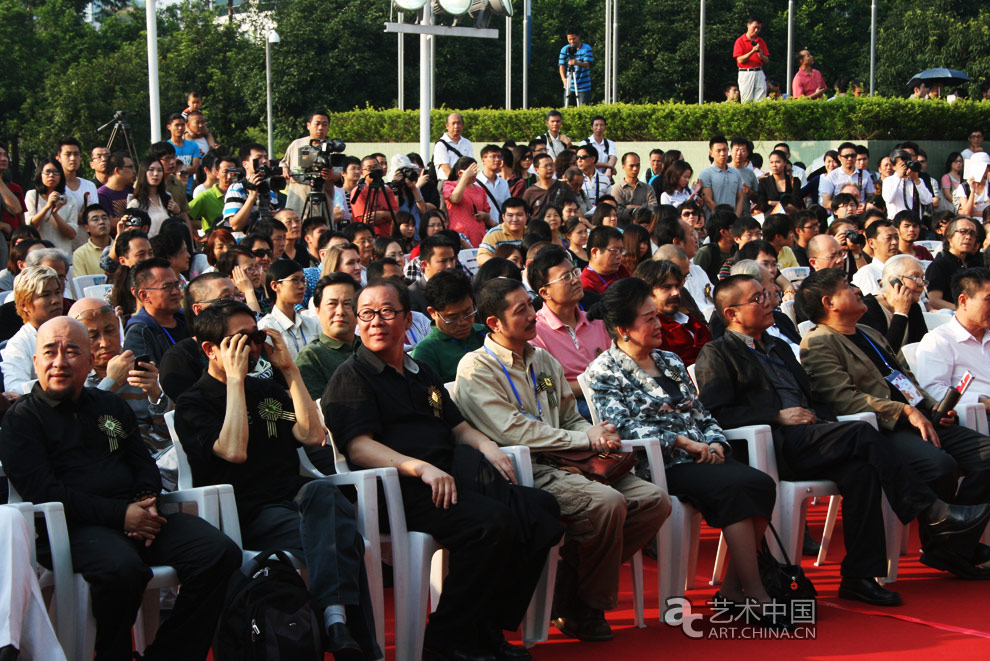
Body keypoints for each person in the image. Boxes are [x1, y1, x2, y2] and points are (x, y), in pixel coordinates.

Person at [697, 273, 990, 599]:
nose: (769, 302)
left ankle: (859, 577)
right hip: (773, 441)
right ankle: (932, 511)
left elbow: (815, 397)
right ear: (731, 314)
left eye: (767, 296)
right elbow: (715, 412)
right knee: (863, 433)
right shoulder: (718, 352)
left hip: (813, 435)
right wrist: (775, 415)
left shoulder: (778, 347)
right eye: (757, 299)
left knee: (861, 473)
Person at [324, 279, 563, 660]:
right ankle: (448, 635)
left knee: (540, 510)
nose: (376, 322)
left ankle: (484, 626)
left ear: (407, 320)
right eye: (366, 314)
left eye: (387, 312)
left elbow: (456, 426)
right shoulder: (352, 376)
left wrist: (487, 446)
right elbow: (359, 446)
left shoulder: (422, 374)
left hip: (454, 476)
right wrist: (418, 468)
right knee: (493, 524)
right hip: (401, 490)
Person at [0, 316, 241, 661]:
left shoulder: (109, 406)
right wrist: (121, 516)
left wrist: (146, 499)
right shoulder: (23, 419)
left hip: (137, 517)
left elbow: (141, 461)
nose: (59, 362)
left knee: (219, 552)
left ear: (88, 360)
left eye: (71, 352)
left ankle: (168, 653)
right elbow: (44, 490)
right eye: (50, 352)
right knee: (123, 570)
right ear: (35, 361)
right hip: (73, 529)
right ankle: (112, 653)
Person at [454, 277, 667, 641]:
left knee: (653, 501)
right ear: (494, 323)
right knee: (608, 504)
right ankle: (584, 605)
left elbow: (567, 416)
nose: (533, 314)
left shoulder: (543, 362)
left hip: (574, 460)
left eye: (531, 305)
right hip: (525, 469)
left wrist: (595, 434)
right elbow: (514, 432)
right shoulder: (477, 368)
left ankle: (571, 588)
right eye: (520, 310)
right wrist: (581, 438)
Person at [174, 301, 380, 658]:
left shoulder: (265, 392)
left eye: (255, 338)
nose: (252, 349)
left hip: (297, 503)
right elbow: (234, 449)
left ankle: (334, 623)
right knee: (344, 538)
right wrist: (235, 380)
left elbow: (313, 435)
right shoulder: (194, 403)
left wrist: (290, 372)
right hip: (250, 514)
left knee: (324, 496)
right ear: (210, 349)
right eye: (239, 341)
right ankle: (350, 637)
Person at [797, 270, 990, 576]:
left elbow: (906, 380)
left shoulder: (869, 333)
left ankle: (951, 545)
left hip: (921, 418)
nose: (858, 289)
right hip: (882, 427)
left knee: (986, 456)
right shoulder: (819, 342)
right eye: (847, 287)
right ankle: (951, 544)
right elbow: (842, 399)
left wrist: (932, 407)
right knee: (940, 466)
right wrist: (903, 411)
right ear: (829, 302)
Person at [528, 246, 611, 418]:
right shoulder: (535, 332)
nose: (575, 280)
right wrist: (593, 383)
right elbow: (549, 388)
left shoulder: (596, 320)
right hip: (570, 406)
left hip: (610, 394)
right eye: (566, 277)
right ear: (545, 292)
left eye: (575, 273)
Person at [913, 268, 990, 416]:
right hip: (976, 416)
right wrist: (982, 402)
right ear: (963, 301)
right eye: (988, 299)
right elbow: (933, 391)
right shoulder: (939, 340)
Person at [409, 269, 487, 383]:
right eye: (453, 317)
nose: (463, 322)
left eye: (468, 312)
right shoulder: (426, 352)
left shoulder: (486, 332)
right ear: (432, 313)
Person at [635, 260, 712, 366]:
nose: (676, 292)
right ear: (647, 292)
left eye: (677, 286)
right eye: (667, 287)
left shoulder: (690, 320)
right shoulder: (647, 331)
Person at [0, 266, 65, 394]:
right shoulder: (19, 344)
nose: (56, 300)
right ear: (24, 305)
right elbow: (14, 389)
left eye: (58, 293)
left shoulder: (73, 331)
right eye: (45, 295)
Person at [856, 254, 928, 353]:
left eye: (922, 278)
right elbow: (885, 354)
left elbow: (922, 348)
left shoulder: (913, 307)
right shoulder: (867, 308)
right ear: (894, 280)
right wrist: (900, 313)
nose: (921, 284)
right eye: (915, 277)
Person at [258, 260, 320, 360]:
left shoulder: (313, 324)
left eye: (303, 280)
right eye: (295, 280)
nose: (302, 286)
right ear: (275, 286)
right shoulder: (266, 328)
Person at [279, 110, 333, 215]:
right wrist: (284, 169)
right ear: (308, 125)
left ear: (328, 127)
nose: (320, 128)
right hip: (297, 201)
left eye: (324, 124)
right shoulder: (297, 144)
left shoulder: (333, 148)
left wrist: (332, 175)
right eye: (317, 124)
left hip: (321, 204)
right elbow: (283, 163)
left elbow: (340, 175)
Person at [926, 217, 983, 310]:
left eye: (973, 233)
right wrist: (964, 311)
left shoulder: (977, 264)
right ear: (949, 237)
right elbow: (934, 301)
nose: (968, 237)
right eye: (963, 231)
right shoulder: (939, 265)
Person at [222, 143, 281, 232]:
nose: (264, 161)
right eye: (258, 158)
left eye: (266, 158)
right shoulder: (237, 189)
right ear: (245, 164)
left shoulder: (270, 192)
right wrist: (251, 197)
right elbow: (235, 226)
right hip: (245, 242)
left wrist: (275, 216)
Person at [24, 158, 77, 255]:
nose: (51, 175)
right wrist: (48, 206)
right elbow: (30, 226)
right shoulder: (32, 195)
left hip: (63, 255)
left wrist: (55, 213)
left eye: (56, 172)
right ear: (40, 174)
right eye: (48, 172)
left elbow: (71, 234)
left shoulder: (69, 200)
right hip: (38, 255)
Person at [54, 137, 100, 245]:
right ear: (58, 158)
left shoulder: (89, 186)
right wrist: (81, 215)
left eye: (76, 154)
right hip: (61, 243)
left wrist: (75, 215)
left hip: (85, 244)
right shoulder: (54, 187)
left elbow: (94, 216)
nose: (73, 158)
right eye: (68, 154)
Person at [188, 152, 239, 233]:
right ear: (217, 173)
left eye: (233, 172)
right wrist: (199, 238)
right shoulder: (206, 196)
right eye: (225, 172)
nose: (229, 177)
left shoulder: (242, 194)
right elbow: (185, 217)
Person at [408, 234, 459, 314]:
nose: (450, 266)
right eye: (443, 261)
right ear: (425, 264)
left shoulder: (460, 287)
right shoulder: (412, 295)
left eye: (452, 260)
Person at [850, 220, 899, 296]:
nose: (894, 242)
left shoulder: (906, 268)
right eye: (888, 238)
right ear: (871, 243)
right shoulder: (867, 273)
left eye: (896, 237)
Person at [881, 149, 932, 221]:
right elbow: (889, 199)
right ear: (893, 166)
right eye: (902, 165)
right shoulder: (888, 181)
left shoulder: (917, 180)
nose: (905, 167)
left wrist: (916, 180)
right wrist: (898, 178)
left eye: (907, 164)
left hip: (915, 222)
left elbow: (928, 200)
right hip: (896, 222)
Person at [821, 143, 876, 209]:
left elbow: (871, 198)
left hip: (860, 215)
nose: (850, 159)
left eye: (853, 156)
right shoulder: (831, 176)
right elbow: (826, 203)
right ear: (839, 157)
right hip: (840, 215)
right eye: (846, 156)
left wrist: (865, 206)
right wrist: (844, 207)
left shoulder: (865, 174)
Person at [580, 226, 630, 298]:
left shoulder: (621, 269)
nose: (619, 256)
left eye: (621, 251)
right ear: (595, 252)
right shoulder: (587, 285)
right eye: (614, 251)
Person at [699, 137, 744, 217]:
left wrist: (736, 216)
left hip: (733, 222)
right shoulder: (706, 173)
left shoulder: (736, 173)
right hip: (714, 220)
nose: (722, 153)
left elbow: (740, 197)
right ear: (711, 153)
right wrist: (723, 217)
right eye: (718, 151)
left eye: (724, 150)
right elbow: (708, 200)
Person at [477, 197, 527, 266]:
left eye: (519, 215)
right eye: (510, 215)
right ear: (503, 217)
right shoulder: (494, 233)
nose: (515, 219)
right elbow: (481, 257)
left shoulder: (531, 231)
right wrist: (503, 265)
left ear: (526, 216)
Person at [694, 208, 737, 283]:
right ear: (723, 232)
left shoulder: (736, 250)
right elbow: (695, 279)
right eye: (735, 227)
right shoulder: (705, 253)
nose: (739, 230)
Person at [733, 15, 769, 103]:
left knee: (761, 100)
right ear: (748, 25)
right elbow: (740, 60)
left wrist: (761, 55)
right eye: (755, 27)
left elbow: (767, 60)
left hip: (759, 71)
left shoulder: (761, 41)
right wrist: (752, 52)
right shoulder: (740, 41)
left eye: (759, 28)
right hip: (746, 73)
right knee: (747, 101)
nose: (756, 30)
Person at [72, 204, 113, 277]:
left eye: (104, 218)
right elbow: (82, 284)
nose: (101, 222)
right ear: (86, 228)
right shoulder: (80, 254)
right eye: (95, 219)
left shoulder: (121, 247)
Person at [432, 113, 474, 179]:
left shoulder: (467, 143)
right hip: (446, 182)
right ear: (447, 126)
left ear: (462, 125)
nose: (456, 126)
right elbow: (445, 168)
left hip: (464, 182)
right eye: (453, 123)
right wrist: (457, 183)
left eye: (459, 123)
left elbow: (470, 165)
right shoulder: (440, 144)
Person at [559, 26, 593, 105]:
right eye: (569, 39)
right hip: (569, 86)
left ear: (579, 36)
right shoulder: (565, 49)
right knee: (568, 108)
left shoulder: (586, 48)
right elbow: (561, 65)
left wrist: (576, 63)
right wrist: (564, 79)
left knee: (583, 109)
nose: (571, 41)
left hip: (584, 87)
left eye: (574, 39)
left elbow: (587, 64)